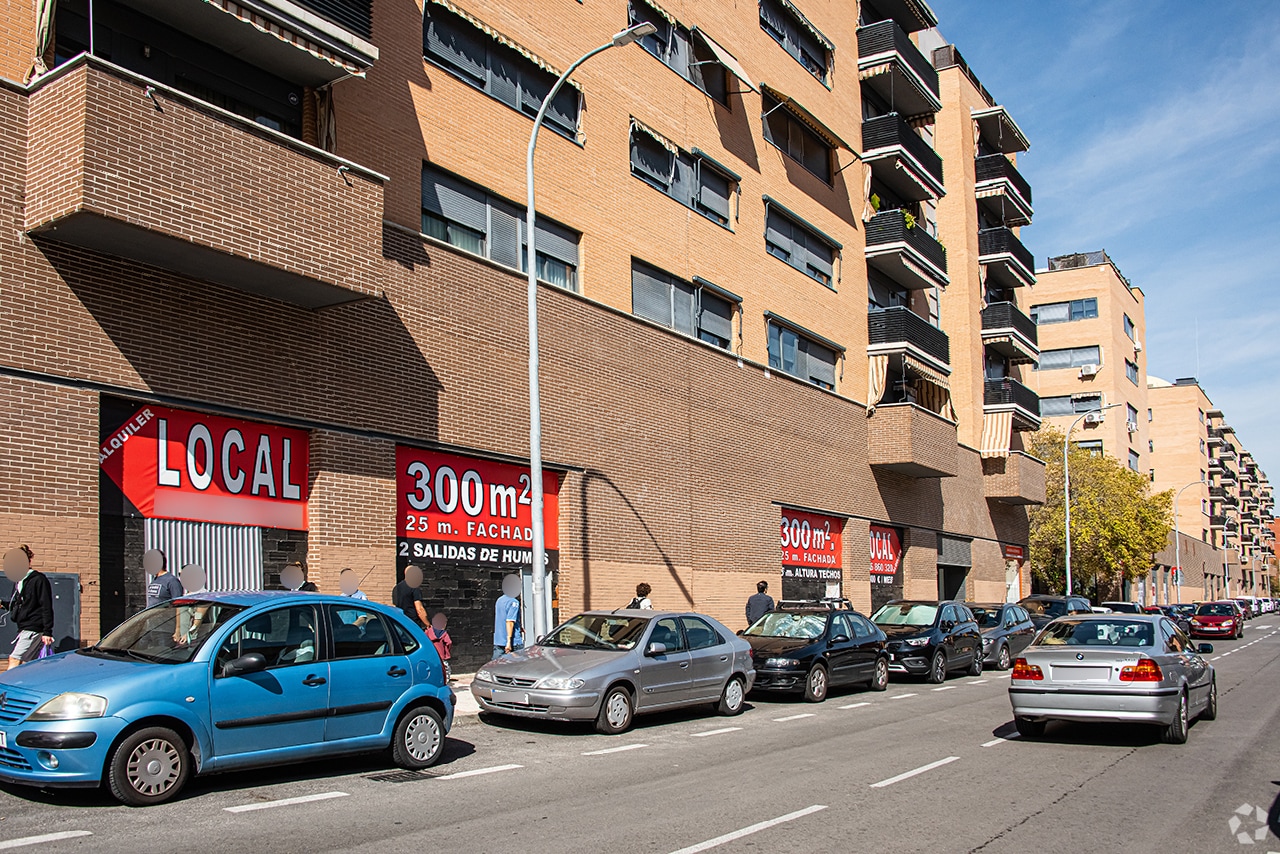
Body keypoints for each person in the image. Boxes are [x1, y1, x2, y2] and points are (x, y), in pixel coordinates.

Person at [1, 546, 54, 668]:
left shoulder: (38, 579)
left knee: (15, 658)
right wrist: (3, 604)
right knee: (27, 663)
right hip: (25, 627)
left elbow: (46, 605)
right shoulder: (20, 581)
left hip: (32, 628)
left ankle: (6, 684)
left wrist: (47, 631)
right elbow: (22, 605)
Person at [493, 574, 523, 659]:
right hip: (513, 643)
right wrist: (508, 642)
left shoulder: (499, 600)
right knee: (518, 668)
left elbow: (502, 617)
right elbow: (509, 622)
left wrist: (519, 626)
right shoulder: (514, 602)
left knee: (497, 667)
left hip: (498, 641)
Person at [426, 612, 452, 681]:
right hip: (441, 655)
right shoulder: (444, 633)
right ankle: (445, 680)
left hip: (431, 655)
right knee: (445, 668)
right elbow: (449, 642)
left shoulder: (428, 631)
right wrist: (447, 651)